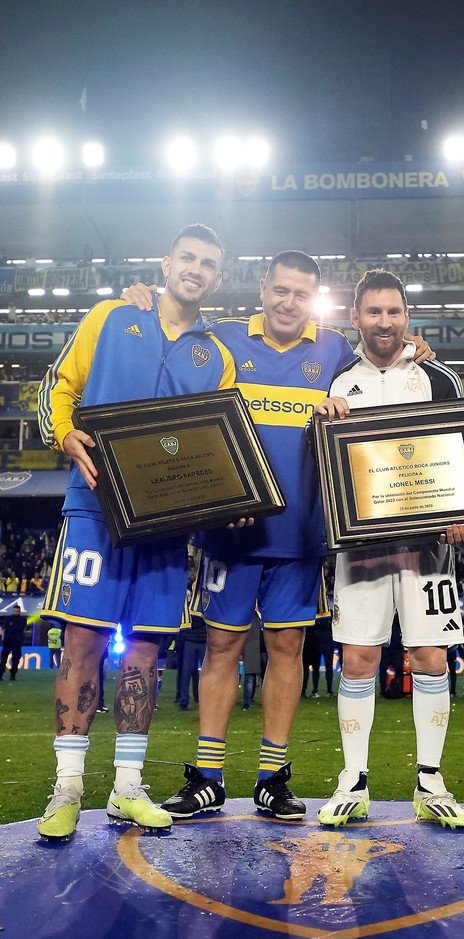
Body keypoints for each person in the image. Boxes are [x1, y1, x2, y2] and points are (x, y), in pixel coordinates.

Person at [122, 253, 434, 821]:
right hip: (230, 532)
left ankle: (272, 777)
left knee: (287, 647)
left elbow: (385, 355)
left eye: (301, 294)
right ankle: (209, 777)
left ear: (314, 299)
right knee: (221, 647)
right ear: (262, 288)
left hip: (302, 533)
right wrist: (142, 297)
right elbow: (177, 367)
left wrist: (418, 347)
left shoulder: (335, 349)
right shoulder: (221, 341)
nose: (289, 303)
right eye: (280, 291)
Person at [35, 224, 236, 840]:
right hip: (95, 509)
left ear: (218, 279)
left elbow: (221, 446)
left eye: (208, 263)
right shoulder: (111, 316)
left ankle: (127, 789)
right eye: (187, 258)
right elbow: (58, 387)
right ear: (165, 262)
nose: (195, 269)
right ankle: (67, 788)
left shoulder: (217, 356)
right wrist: (63, 435)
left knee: (145, 651)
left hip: (166, 525)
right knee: (82, 642)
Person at [313, 268, 464, 829]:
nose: (385, 322)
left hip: (428, 547)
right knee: (357, 658)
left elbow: (461, 455)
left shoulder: (439, 379)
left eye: (394, 312)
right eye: (374, 312)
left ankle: (430, 781)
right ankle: (353, 780)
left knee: (429, 656)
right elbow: (320, 463)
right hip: (359, 548)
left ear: (408, 316)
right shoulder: (334, 378)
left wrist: (461, 516)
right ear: (355, 317)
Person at [0, 604, 26, 681]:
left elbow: (20, 628)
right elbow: (6, 627)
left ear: (20, 611)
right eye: (15, 611)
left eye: (17, 611)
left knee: (16, 659)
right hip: (8, 641)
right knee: (3, 659)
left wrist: (12, 626)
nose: (16, 612)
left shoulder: (23, 619)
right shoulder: (8, 618)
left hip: (17, 642)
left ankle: (13, 675)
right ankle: (1, 674)